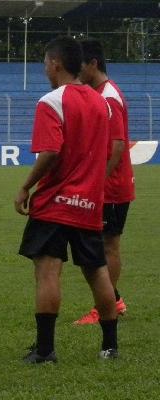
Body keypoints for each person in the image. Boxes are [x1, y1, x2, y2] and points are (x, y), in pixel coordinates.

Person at [14, 36, 118, 363]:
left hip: (55, 203)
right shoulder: (101, 103)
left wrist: (25, 187)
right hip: (89, 202)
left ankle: (45, 350)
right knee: (97, 271)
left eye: (45, 62)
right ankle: (110, 346)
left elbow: (51, 151)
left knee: (48, 272)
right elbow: (104, 153)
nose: (44, 68)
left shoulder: (51, 101)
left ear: (56, 63)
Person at [74, 39, 135, 325]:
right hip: (108, 185)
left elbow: (118, 145)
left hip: (111, 187)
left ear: (93, 64)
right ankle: (115, 300)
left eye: (81, 65)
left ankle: (105, 309)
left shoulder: (108, 96)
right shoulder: (99, 92)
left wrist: (97, 182)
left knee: (107, 247)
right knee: (99, 246)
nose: (77, 71)